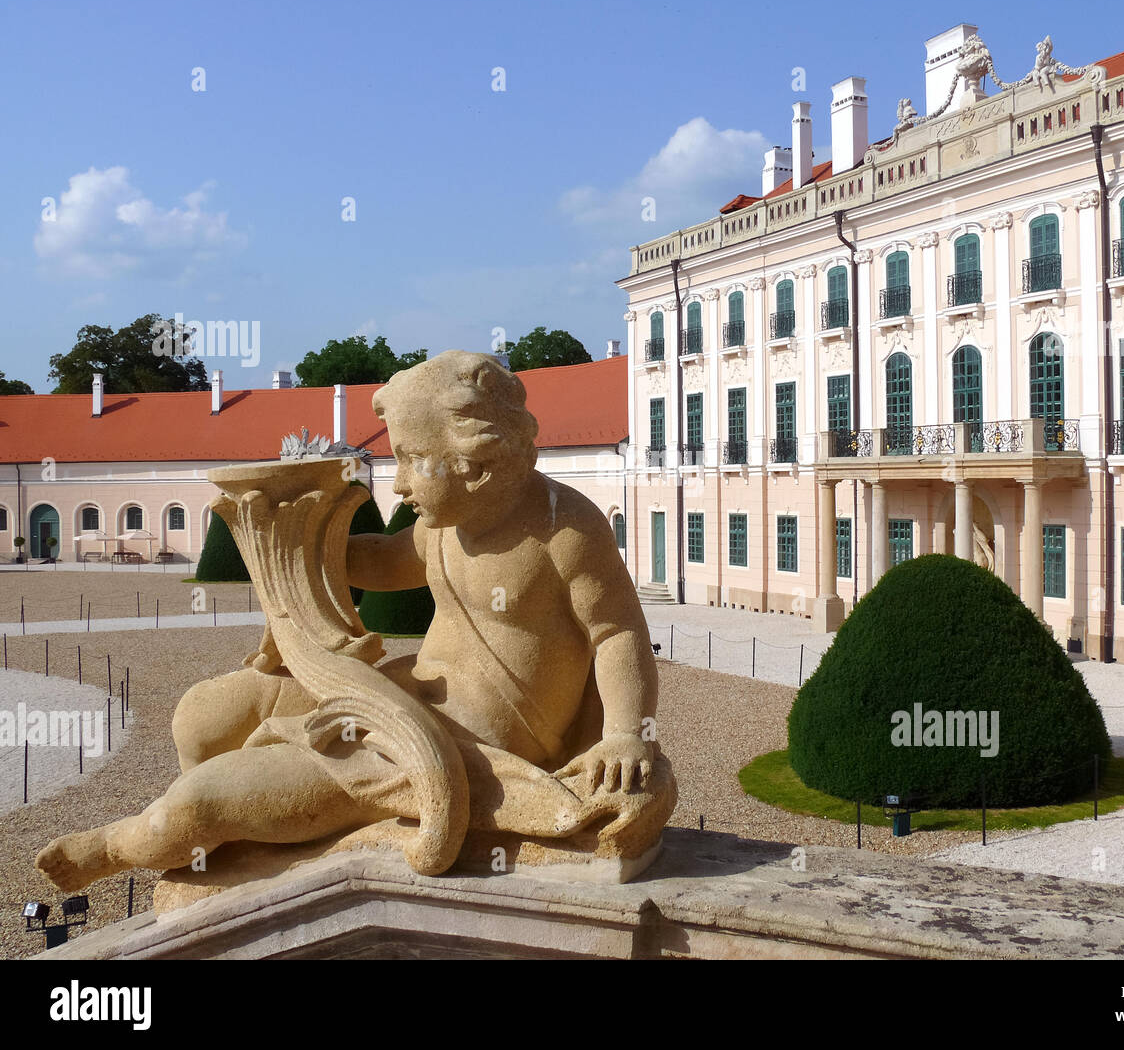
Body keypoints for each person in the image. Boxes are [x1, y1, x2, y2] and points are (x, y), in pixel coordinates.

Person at [38, 351, 665, 891]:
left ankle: (126, 843)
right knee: (207, 714)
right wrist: (291, 546)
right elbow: (383, 564)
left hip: (448, 741)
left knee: (199, 805)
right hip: (395, 691)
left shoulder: (565, 530)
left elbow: (617, 632)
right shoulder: (442, 526)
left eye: (413, 459)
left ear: (476, 462)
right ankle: (240, 837)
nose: (399, 484)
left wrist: (623, 735)